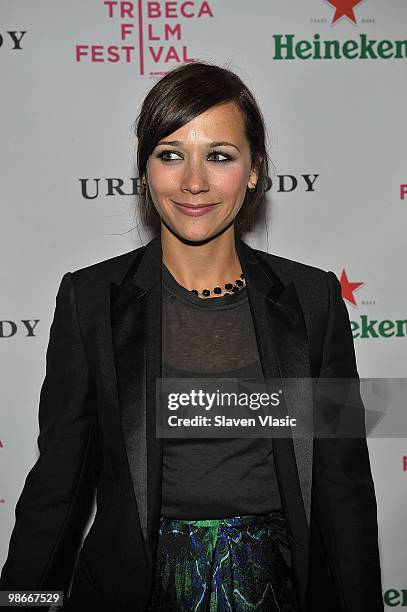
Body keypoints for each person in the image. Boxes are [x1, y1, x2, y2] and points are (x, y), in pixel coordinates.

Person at [0, 61, 383, 612]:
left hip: (280, 593)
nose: (194, 182)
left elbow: (343, 490)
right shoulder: (90, 300)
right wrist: (21, 604)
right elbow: (56, 486)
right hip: (132, 593)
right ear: (145, 170)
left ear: (254, 171)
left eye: (220, 156)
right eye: (171, 154)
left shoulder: (314, 300)